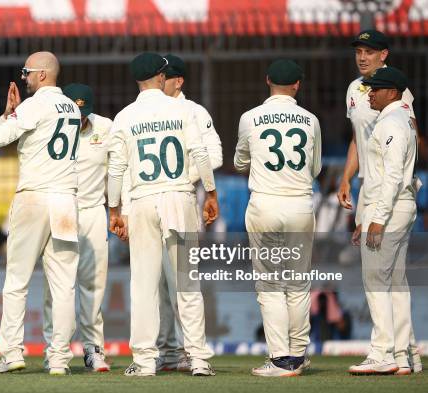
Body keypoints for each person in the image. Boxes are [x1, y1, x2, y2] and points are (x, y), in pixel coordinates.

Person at [108, 52, 219, 377]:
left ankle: (144, 361)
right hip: (178, 197)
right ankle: (198, 358)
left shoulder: (125, 116)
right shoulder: (182, 109)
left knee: (143, 285)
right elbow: (200, 153)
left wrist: (115, 209)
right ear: (160, 76)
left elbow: (117, 168)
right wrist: (211, 193)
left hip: (142, 201)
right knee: (186, 282)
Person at [0, 51, 80, 376]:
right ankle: (59, 359)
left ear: (41, 74)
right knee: (63, 286)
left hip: (35, 197)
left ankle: (11, 353)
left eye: (26, 72)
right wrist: (12, 112)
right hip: (65, 200)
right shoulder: (72, 108)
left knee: (16, 281)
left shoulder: (35, 104)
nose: (23, 77)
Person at [337, 29, 422, 374]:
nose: (362, 56)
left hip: (387, 193)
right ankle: (405, 354)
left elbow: (405, 139)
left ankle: (383, 352)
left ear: (383, 55)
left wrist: (375, 213)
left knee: (376, 277)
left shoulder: (399, 98)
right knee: (395, 280)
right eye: (359, 50)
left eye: (369, 51)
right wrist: (345, 178)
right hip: (373, 191)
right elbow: (360, 139)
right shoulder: (356, 91)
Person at [234, 59, 321, 377]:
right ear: (297, 84)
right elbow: (315, 169)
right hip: (299, 204)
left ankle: (281, 359)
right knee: (298, 284)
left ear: (267, 79)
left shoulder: (250, 117)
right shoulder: (310, 120)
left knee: (271, 284)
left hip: (266, 205)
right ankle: (297, 355)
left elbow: (240, 161)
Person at [154, 53, 223, 372]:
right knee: (158, 285)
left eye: (163, 77)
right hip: (150, 204)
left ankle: (195, 353)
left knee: (184, 281)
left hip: (181, 201)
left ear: (177, 81)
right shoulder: (148, 108)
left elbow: (215, 154)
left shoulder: (194, 111)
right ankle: (168, 351)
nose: (157, 81)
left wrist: (184, 177)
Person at [42, 83, 111, 372]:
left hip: (94, 210)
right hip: (60, 208)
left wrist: (120, 210)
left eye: (85, 113)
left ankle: (93, 349)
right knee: (57, 287)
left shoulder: (105, 128)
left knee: (93, 284)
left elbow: (117, 169)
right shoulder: (49, 126)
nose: (80, 119)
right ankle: (54, 349)